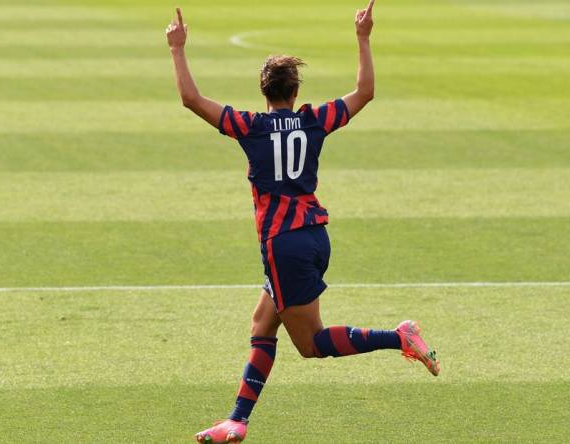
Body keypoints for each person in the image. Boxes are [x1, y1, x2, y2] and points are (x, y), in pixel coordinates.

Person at [166, 1, 439, 442]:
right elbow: (364, 91)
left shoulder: (250, 126)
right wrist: (363, 37)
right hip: (314, 235)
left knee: (310, 345)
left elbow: (190, 99)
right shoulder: (313, 120)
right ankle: (237, 419)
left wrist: (177, 48)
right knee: (262, 324)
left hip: (283, 244)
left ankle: (400, 336)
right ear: (295, 92)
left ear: (264, 92)